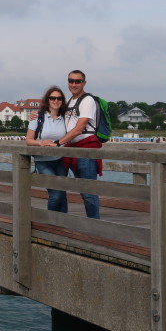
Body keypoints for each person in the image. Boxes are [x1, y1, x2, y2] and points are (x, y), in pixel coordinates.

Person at [54, 70, 102, 219]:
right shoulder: (69, 101)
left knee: (88, 192)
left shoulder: (87, 100)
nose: (74, 84)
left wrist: (58, 143)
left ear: (84, 83)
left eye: (78, 81)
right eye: (71, 81)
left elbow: (79, 128)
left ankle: (94, 225)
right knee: (73, 189)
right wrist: (36, 115)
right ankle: (64, 222)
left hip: (86, 150)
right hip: (72, 150)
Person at [26, 86, 69, 212]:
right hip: (43, 161)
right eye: (52, 98)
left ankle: (63, 223)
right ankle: (51, 223)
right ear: (48, 100)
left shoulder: (65, 118)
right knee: (55, 194)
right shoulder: (38, 117)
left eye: (59, 98)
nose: (56, 100)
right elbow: (28, 140)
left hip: (61, 160)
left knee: (62, 193)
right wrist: (41, 143)